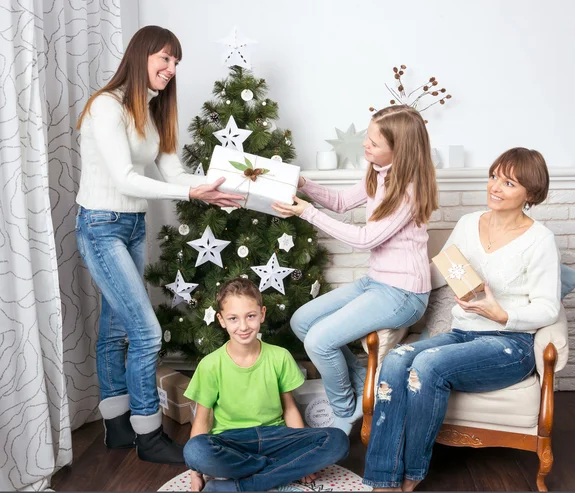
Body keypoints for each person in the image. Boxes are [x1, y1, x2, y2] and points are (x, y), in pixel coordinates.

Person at [74, 25, 243, 464]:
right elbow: (124, 179)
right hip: (101, 224)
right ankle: (148, 434)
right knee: (147, 332)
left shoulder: (152, 111)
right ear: (142, 55)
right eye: (165, 59)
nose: (171, 69)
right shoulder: (106, 107)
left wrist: (215, 186)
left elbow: (173, 174)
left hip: (131, 226)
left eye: (176, 63)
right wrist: (191, 194)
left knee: (115, 327)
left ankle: (116, 429)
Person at [362, 147, 561, 491]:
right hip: (462, 333)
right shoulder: (470, 223)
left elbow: (548, 308)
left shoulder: (540, 240)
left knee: (427, 367)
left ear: (531, 193)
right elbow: (443, 269)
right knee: (395, 360)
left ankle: (412, 474)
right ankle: (382, 479)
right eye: (494, 176)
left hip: (510, 345)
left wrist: (504, 314)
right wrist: (398, 285)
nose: (495, 187)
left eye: (509, 182)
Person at [272, 105, 439, 434]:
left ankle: (346, 412)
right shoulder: (379, 172)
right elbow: (338, 202)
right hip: (376, 281)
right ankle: (364, 383)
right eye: (367, 137)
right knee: (302, 321)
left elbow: (364, 240)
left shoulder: (409, 189)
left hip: (404, 293)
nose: (365, 146)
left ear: (398, 149)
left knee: (320, 342)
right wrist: (303, 183)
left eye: (374, 143)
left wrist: (307, 213)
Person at [182, 278, 349, 492]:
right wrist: (195, 472)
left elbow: (289, 408)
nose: (243, 326)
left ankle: (243, 485)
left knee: (338, 441)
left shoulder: (279, 356)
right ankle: (282, 471)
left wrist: (300, 445)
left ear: (262, 314)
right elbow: (202, 421)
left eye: (250, 316)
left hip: (276, 437)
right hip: (232, 441)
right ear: (221, 320)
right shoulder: (210, 365)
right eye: (233, 318)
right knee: (195, 451)